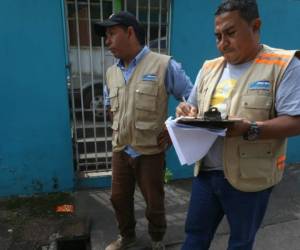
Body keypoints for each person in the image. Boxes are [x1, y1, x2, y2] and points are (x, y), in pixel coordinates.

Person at [176, 0, 300, 249]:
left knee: (241, 243)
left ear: (255, 26)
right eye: (218, 36)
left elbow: (296, 121)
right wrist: (186, 110)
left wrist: (251, 129)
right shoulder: (209, 67)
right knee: (194, 238)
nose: (222, 43)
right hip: (207, 174)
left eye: (230, 33)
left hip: (250, 178)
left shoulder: (284, 65)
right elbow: (192, 107)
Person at [94, 11, 193, 250]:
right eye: (105, 36)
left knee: (154, 203)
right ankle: (126, 237)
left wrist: (174, 129)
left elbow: (192, 100)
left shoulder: (163, 64)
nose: (107, 41)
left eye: (111, 34)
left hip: (150, 150)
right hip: (121, 149)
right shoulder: (111, 72)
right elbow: (110, 107)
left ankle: (157, 240)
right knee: (118, 199)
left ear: (130, 32)